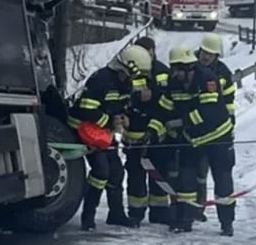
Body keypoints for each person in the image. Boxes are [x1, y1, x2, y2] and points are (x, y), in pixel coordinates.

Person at [68, 44, 152, 231]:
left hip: (103, 133)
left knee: (117, 172)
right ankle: (88, 217)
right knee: (101, 171)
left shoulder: (125, 82)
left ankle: (116, 215)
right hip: (82, 130)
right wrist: (110, 122)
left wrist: (124, 117)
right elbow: (86, 110)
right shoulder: (102, 80)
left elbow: (120, 106)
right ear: (128, 68)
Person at [122, 35, 173, 226]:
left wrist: (154, 95)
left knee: (159, 173)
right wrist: (136, 98)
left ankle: (159, 212)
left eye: (149, 52)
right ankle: (136, 212)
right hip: (135, 134)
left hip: (158, 134)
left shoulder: (163, 71)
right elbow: (122, 97)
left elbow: (170, 97)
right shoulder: (130, 72)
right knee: (135, 175)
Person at [193, 33, 237, 224]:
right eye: (205, 52)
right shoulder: (190, 67)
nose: (206, 56)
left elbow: (229, 102)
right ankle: (196, 210)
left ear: (217, 55)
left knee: (223, 178)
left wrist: (230, 124)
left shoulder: (223, 73)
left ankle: (226, 221)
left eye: (211, 54)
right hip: (197, 133)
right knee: (198, 176)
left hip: (220, 134)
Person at [163, 44, 201, 232]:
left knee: (188, 178)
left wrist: (183, 122)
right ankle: (175, 216)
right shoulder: (173, 83)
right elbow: (163, 109)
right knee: (173, 178)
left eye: (177, 70)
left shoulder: (204, 80)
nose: (175, 74)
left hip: (195, 139)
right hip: (175, 139)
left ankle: (187, 219)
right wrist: (155, 128)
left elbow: (208, 113)